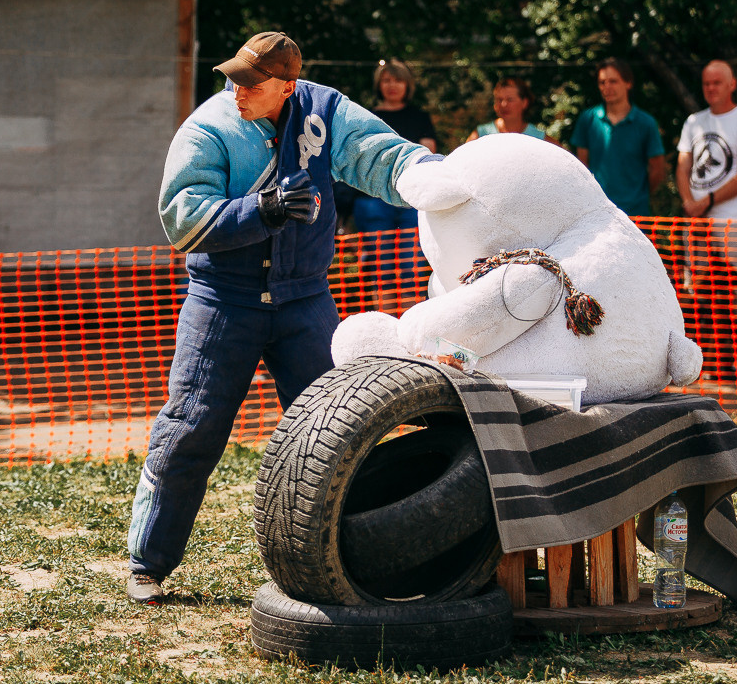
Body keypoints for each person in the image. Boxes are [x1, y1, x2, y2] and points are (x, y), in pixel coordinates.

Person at [125, 32, 437, 603]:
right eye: (235, 78)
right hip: (223, 298)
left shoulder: (326, 110)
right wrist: (260, 209)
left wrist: (441, 178)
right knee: (191, 426)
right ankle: (148, 563)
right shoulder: (208, 127)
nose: (238, 91)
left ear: (288, 86)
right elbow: (181, 219)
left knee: (340, 429)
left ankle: (359, 556)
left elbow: (383, 156)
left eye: (253, 83)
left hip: (304, 298)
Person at [675, 60, 737, 378]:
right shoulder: (694, 122)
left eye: (717, 82)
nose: (711, 88)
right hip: (697, 223)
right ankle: (706, 358)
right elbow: (683, 166)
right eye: (706, 83)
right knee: (699, 290)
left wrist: (708, 202)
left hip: (733, 222)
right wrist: (689, 203)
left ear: (732, 84)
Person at [348, 59, 438, 304]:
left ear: (407, 85)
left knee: (411, 267)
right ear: (379, 84)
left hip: (410, 201)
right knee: (381, 268)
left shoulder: (419, 117)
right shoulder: (367, 116)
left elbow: (428, 151)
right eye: (386, 80)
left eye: (398, 80)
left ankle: (410, 320)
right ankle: (385, 320)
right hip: (372, 199)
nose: (392, 85)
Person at [569, 58, 667, 216]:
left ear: (628, 83)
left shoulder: (646, 123)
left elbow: (657, 169)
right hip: (597, 212)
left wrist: (637, 195)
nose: (607, 87)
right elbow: (582, 167)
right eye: (602, 82)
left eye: (613, 81)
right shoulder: (588, 119)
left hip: (636, 214)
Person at [466, 77, 557, 144]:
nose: (503, 104)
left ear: (524, 103)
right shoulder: (481, 135)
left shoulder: (538, 138)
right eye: (499, 99)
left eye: (510, 100)